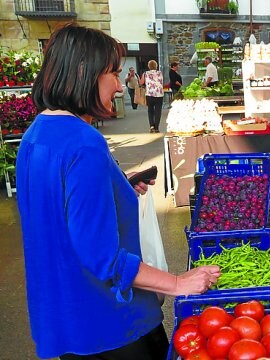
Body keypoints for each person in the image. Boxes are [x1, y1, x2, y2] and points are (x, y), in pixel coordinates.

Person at [16, 24, 220, 360]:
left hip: (63, 318)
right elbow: (102, 256)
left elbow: (55, 210)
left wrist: (115, 186)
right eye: (112, 73)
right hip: (109, 325)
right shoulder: (84, 143)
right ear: (84, 73)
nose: (119, 85)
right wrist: (178, 283)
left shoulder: (37, 134)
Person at [139, 60, 164, 133]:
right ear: (156, 66)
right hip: (159, 94)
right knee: (158, 111)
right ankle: (156, 127)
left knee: (150, 110)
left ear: (148, 66)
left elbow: (141, 83)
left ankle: (151, 126)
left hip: (149, 94)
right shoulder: (160, 73)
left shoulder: (145, 73)